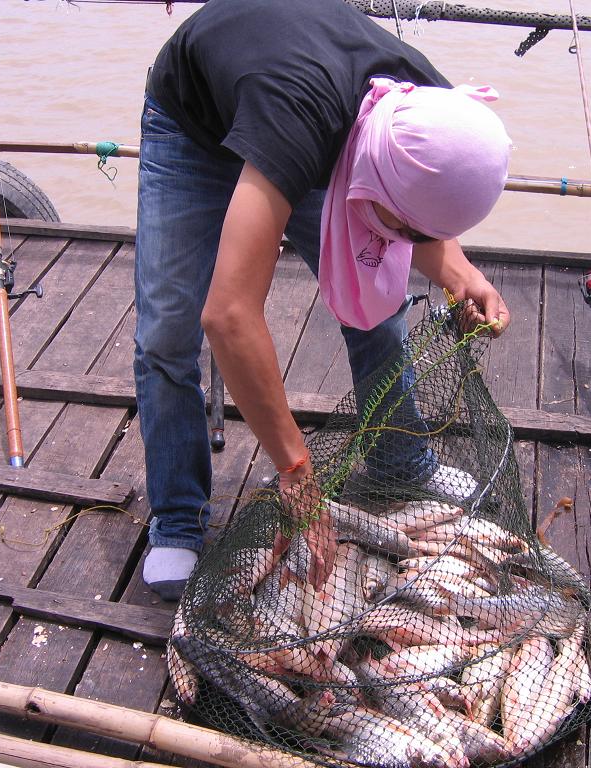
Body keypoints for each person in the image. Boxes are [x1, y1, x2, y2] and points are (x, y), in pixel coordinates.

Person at [135, 0, 513, 601]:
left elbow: (421, 222)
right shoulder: (297, 118)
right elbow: (229, 314)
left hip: (309, 117)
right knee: (167, 332)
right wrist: (296, 471)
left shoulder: (433, 109)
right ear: (375, 178)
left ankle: (400, 463)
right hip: (197, 124)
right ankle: (178, 516)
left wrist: (461, 272)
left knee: (383, 311)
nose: (413, 242)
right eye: (407, 228)